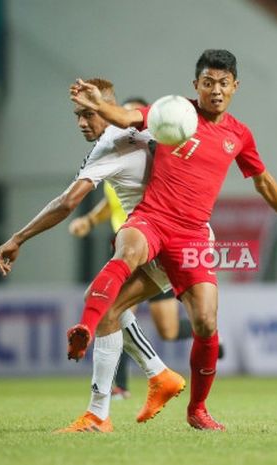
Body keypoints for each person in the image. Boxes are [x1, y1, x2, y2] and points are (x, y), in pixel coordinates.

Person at [66, 49, 277, 431]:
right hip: (152, 220)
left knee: (207, 323)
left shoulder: (239, 134)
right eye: (208, 82)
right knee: (121, 268)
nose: (216, 90)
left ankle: (197, 410)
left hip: (193, 236)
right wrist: (99, 104)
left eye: (223, 84)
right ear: (195, 84)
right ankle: (96, 397)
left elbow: (262, 179)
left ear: (235, 87)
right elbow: (128, 116)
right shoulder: (174, 111)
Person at [0, 78, 186, 433]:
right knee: (107, 304)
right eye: (77, 115)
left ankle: (99, 413)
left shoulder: (110, 143)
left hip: (154, 238)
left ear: (107, 109)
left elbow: (67, 202)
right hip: (185, 236)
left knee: (104, 305)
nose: (82, 122)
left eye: (89, 113)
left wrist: (18, 238)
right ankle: (159, 374)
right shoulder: (150, 130)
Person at [68, 97, 201, 400]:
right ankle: (125, 384)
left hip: (157, 242)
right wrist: (89, 221)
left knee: (156, 325)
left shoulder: (155, 151)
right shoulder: (118, 156)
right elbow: (109, 203)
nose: (124, 121)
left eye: (130, 116)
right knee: (113, 306)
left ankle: (182, 351)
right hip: (130, 245)